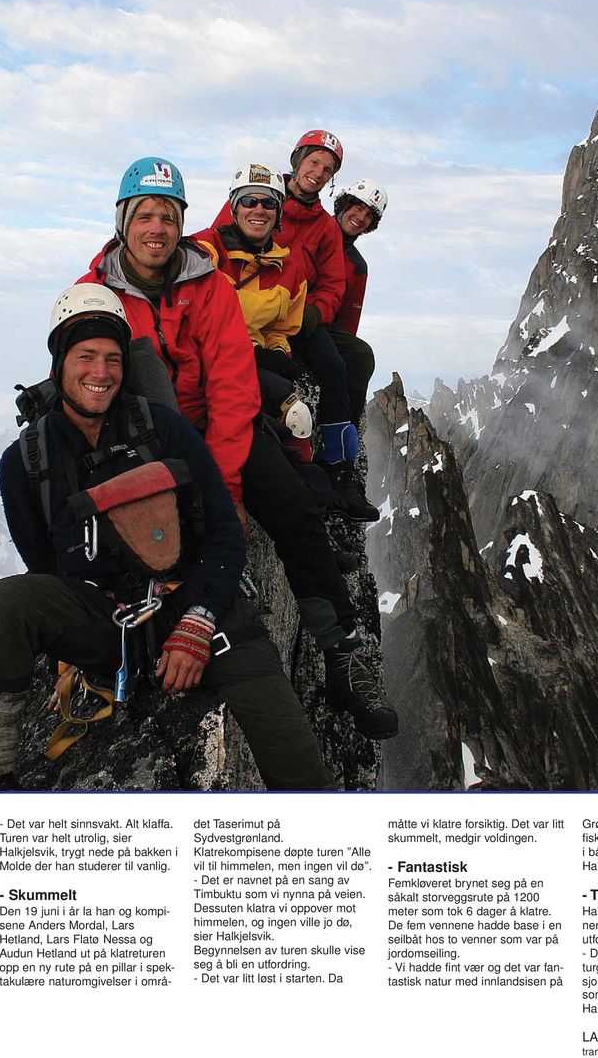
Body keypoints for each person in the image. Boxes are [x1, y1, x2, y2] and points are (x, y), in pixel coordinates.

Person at [0, 284, 338, 791]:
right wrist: (68, 658)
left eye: (113, 358)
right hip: (105, 619)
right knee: (3, 605)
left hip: (196, 605)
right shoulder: (23, 464)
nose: (101, 372)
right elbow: (46, 571)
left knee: (298, 764)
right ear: (59, 363)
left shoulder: (163, 428)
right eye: (85, 356)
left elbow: (223, 528)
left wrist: (198, 621)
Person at [81, 157, 397, 736]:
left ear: (182, 223)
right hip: (139, 443)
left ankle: (343, 652)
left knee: (296, 515)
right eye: (145, 215)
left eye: (168, 216)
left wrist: (222, 487)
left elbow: (231, 387)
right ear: (124, 220)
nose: (157, 228)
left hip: (214, 428)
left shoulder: (209, 286)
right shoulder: (94, 294)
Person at [213, 131, 378, 522]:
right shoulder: (262, 196)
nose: (319, 173)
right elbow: (220, 245)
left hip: (295, 315)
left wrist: (314, 314)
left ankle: (337, 466)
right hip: (250, 312)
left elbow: (334, 282)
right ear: (299, 160)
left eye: (328, 169)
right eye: (314, 162)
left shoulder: (322, 225)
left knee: (344, 363)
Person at [192, 163, 313, 458]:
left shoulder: (291, 270)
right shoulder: (206, 248)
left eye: (269, 202)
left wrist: (276, 352)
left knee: (297, 421)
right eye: (249, 200)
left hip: (251, 361)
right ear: (234, 208)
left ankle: (306, 475)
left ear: (279, 212)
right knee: (290, 409)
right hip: (206, 358)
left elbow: (280, 329)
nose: (259, 210)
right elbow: (198, 310)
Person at [330, 179, 389, 425]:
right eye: (357, 206)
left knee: (360, 356)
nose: (360, 217)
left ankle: (345, 431)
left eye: (368, 215)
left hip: (318, 327)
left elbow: (347, 325)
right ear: (344, 204)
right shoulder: (311, 231)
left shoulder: (357, 266)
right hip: (283, 313)